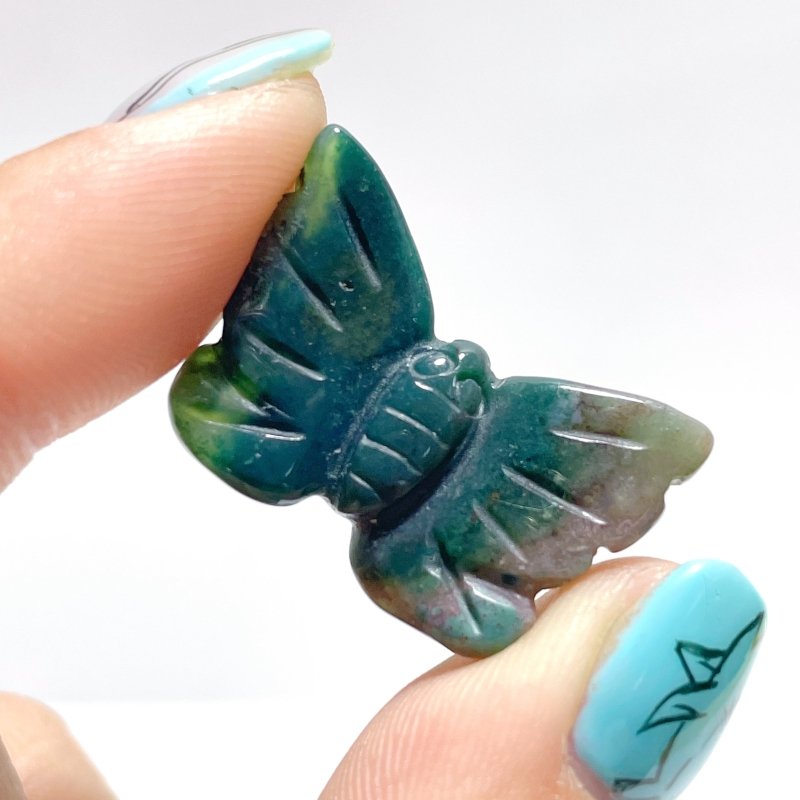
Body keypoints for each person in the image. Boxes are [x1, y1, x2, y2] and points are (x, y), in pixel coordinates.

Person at [0, 35, 763, 800]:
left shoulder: (408, 345)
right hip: (366, 488)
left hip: (335, 466)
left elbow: (669, 446)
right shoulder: (522, 413)